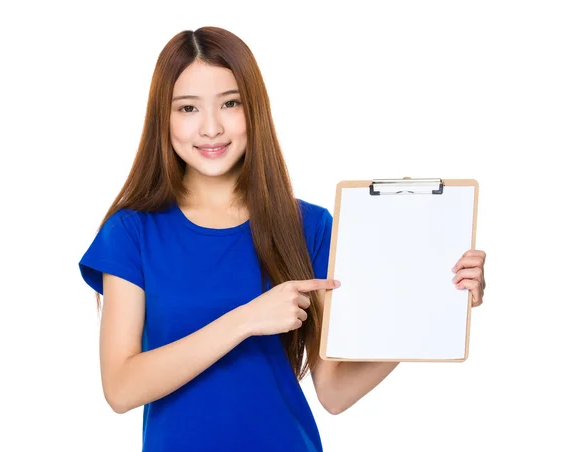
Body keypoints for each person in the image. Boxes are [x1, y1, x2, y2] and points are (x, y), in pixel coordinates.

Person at [78, 26, 487, 452]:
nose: (212, 127)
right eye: (188, 109)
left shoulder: (309, 225)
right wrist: (246, 319)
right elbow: (121, 388)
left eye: (230, 103)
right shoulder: (132, 232)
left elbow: (335, 391)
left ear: (254, 108)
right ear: (163, 118)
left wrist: (434, 303)